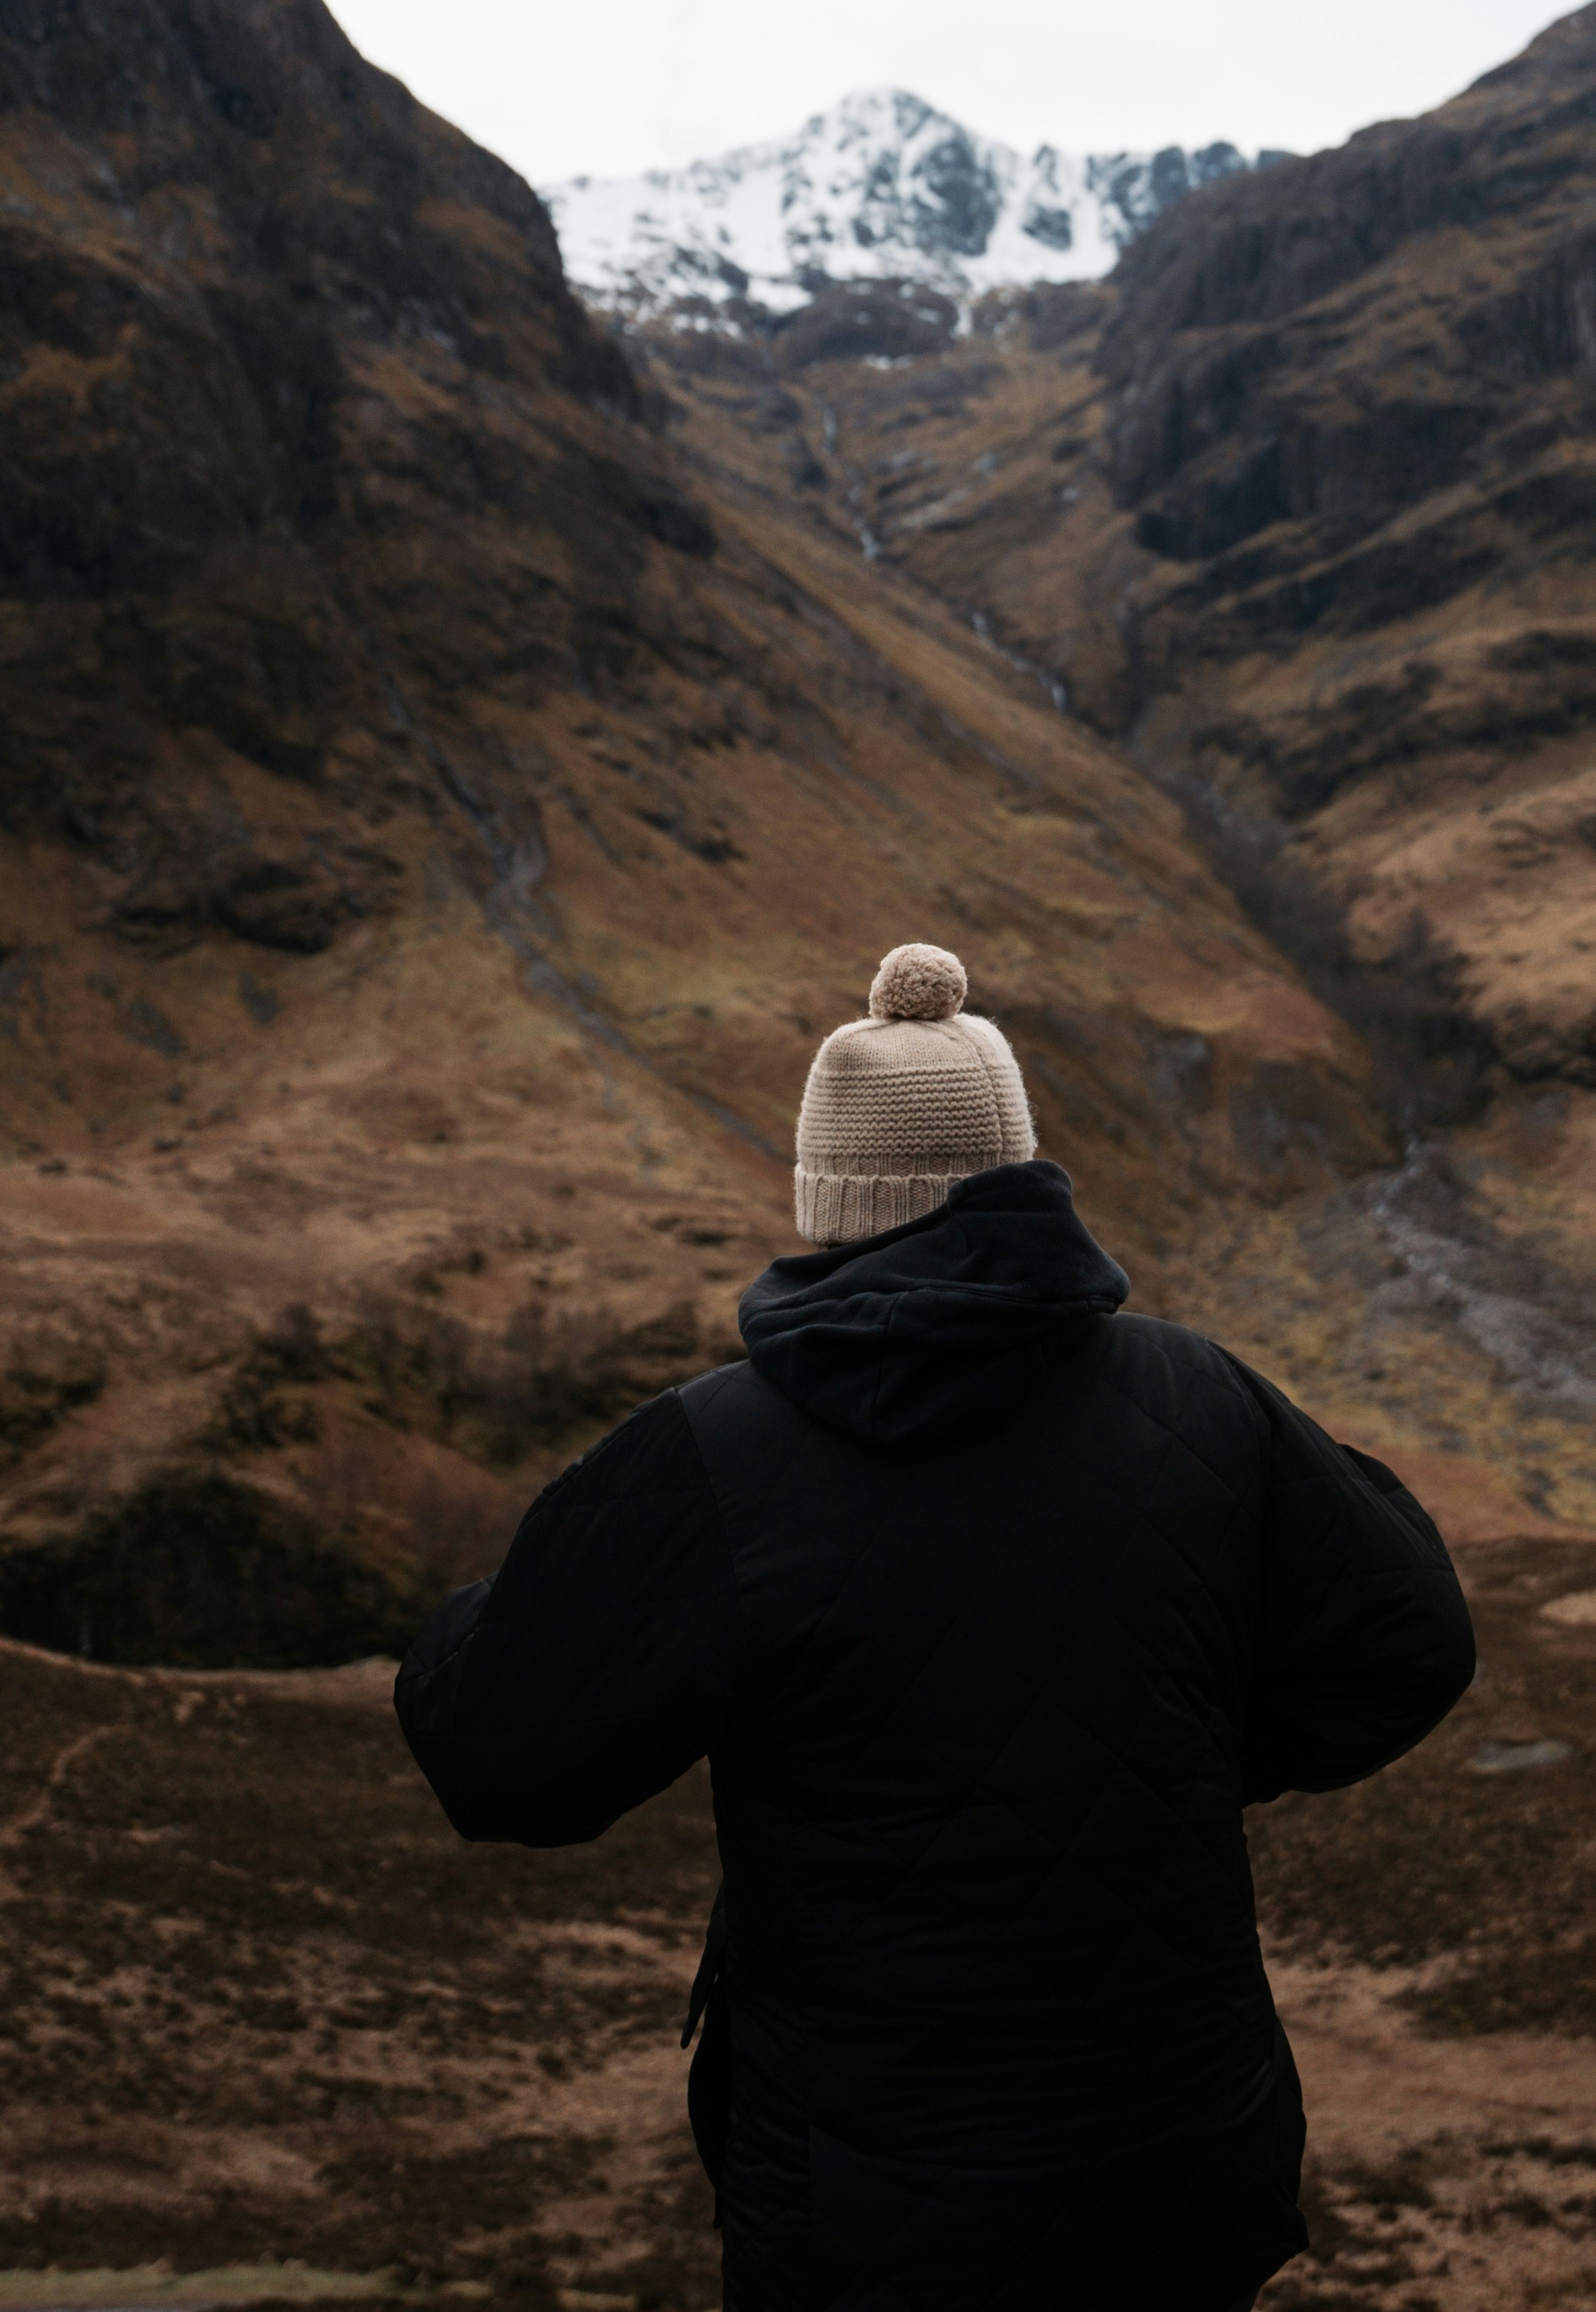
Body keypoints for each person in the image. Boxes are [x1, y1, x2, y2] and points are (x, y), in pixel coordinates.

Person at [394, 936, 1475, 2311]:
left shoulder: (715, 1455)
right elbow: (1412, 1642)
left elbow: (497, 1757)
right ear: (1018, 1176)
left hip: (867, 2199)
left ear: (828, 1197)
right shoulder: (1199, 1397)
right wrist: (1178, 1751)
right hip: (1179, 2166)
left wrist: (527, 1595)